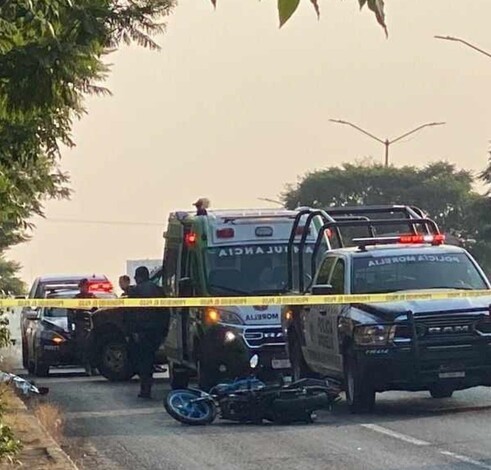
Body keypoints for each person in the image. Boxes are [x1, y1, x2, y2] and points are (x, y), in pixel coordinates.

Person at [127, 266, 168, 399]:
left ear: (138, 277)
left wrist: (131, 331)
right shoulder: (158, 290)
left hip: (141, 332)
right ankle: (147, 386)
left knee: (143, 360)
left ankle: (145, 388)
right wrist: (164, 331)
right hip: (155, 331)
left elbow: (130, 314)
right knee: (149, 358)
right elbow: (164, 312)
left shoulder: (135, 292)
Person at [73, 279, 97, 376]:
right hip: (80, 324)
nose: (84, 288)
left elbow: (98, 309)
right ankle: (87, 367)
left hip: (92, 324)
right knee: (83, 347)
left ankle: (94, 367)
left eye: (86, 286)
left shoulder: (92, 297)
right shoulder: (76, 298)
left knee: (93, 346)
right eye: (82, 286)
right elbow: (71, 311)